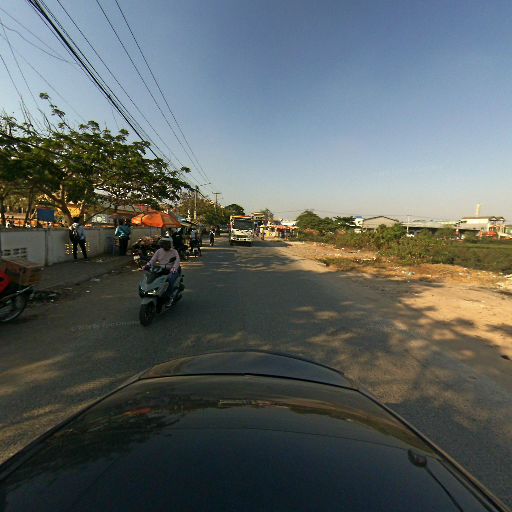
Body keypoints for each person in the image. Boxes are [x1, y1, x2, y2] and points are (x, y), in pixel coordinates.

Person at [144, 238, 180, 303]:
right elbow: (153, 260)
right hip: (161, 269)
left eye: (167, 244)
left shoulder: (174, 251)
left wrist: (174, 268)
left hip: (171, 270)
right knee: (151, 277)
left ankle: (169, 297)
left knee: (169, 280)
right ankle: (152, 292)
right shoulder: (159, 251)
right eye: (164, 244)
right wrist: (148, 265)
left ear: (170, 244)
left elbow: (177, 261)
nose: (165, 245)